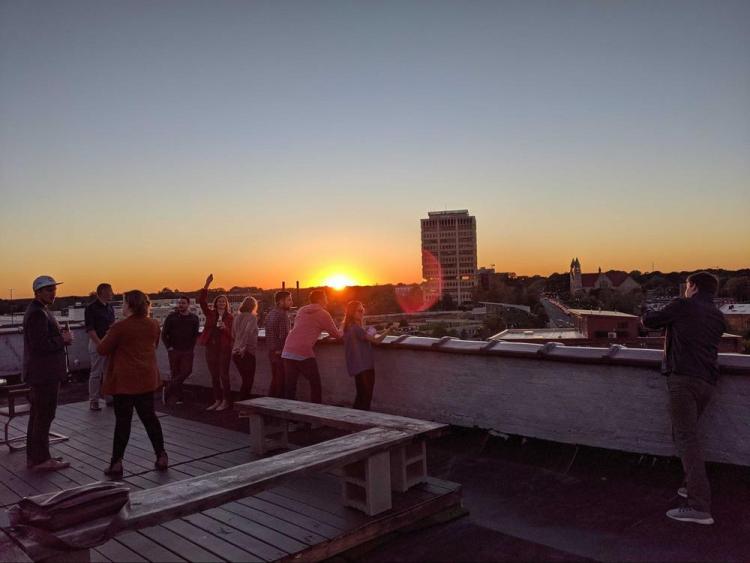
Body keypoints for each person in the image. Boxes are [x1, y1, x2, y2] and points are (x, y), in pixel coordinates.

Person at [641, 271, 726, 526]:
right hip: (707, 382)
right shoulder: (718, 317)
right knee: (683, 435)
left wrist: (643, 312)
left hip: (683, 380)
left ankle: (699, 506)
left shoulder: (682, 306)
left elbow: (650, 322)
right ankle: (690, 487)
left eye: (687, 286)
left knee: (686, 438)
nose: (685, 290)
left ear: (694, 287)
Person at [97, 290, 167, 476]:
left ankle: (116, 463)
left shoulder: (120, 327)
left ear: (130, 305)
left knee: (123, 423)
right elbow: (155, 345)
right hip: (146, 378)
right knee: (150, 418)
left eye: (124, 302)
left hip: (124, 382)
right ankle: (161, 455)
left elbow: (102, 349)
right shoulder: (153, 324)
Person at [22, 276, 72, 471]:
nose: (53, 293)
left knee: (38, 415)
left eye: (54, 289)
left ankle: (36, 457)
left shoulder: (39, 310)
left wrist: (60, 338)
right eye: (48, 290)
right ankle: (41, 460)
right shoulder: (37, 313)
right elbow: (40, 345)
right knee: (43, 415)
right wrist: (64, 340)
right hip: (44, 374)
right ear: (38, 292)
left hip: (41, 373)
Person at [281, 289, 342, 404]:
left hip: (288, 349)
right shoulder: (323, 314)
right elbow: (337, 335)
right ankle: (316, 413)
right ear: (320, 299)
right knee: (315, 384)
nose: (327, 300)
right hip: (303, 352)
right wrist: (344, 327)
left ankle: (289, 418)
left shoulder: (302, 310)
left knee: (290, 387)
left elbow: (303, 328)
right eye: (325, 298)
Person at [341, 301, 397, 410]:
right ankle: (361, 422)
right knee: (366, 397)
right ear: (352, 313)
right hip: (365, 367)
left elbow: (364, 338)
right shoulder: (356, 328)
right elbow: (376, 341)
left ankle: (354, 420)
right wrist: (389, 330)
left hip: (357, 367)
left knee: (361, 396)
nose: (362, 313)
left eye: (363, 310)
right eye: (360, 311)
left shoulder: (349, 328)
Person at [198, 274, 233, 411]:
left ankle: (227, 401)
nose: (221, 303)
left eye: (224, 302)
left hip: (224, 349)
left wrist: (225, 329)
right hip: (211, 347)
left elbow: (233, 335)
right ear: (216, 303)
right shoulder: (210, 314)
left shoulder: (230, 317)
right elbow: (201, 301)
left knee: (224, 375)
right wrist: (207, 284)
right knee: (214, 376)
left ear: (226, 304)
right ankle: (217, 400)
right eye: (219, 301)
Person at [161, 295, 200, 405]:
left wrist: (191, 347)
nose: (181, 305)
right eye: (180, 303)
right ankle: (178, 397)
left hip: (187, 350)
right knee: (175, 373)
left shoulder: (194, 318)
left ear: (188, 305)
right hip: (174, 350)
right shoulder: (171, 317)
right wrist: (169, 347)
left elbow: (195, 334)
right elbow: (164, 334)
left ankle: (167, 389)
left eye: (183, 303)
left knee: (187, 371)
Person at [84, 283, 115, 411]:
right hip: (97, 343)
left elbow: (112, 326)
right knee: (96, 373)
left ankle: (109, 397)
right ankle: (94, 400)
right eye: (110, 291)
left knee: (108, 372)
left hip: (108, 343)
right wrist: (100, 344)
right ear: (103, 292)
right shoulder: (91, 308)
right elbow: (90, 329)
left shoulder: (110, 308)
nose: (112, 293)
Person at [264, 291, 292, 398]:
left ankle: (269, 406)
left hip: (271, 351)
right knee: (281, 381)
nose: (291, 302)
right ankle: (276, 408)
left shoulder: (271, 313)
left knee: (275, 380)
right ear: (281, 301)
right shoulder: (282, 315)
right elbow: (284, 336)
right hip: (280, 352)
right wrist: (280, 351)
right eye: (289, 299)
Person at [232, 296, 259, 401]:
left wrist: (239, 345)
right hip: (246, 352)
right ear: (253, 306)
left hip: (235, 352)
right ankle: (243, 407)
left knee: (245, 380)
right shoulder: (252, 318)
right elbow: (248, 332)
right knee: (248, 381)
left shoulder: (236, 317)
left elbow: (233, 335)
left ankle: (242, 405)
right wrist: (244, 347)